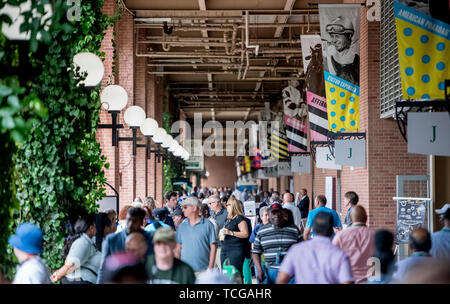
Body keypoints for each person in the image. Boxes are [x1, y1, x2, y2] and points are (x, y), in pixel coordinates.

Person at [277, 212, 354, 284]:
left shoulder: (296, 250)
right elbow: (347, 282)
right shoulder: (340, 254)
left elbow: (281, 280)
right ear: (331, 231)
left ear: (313, 229)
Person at [97, 207, 154, 284]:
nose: (130, 224)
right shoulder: (112, 240)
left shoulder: (149, 238)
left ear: (142, 222)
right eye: (129, 219)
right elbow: (103, 268)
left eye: (135, 221)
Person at [252, 203, 300, 284]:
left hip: (289, 272)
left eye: (279, 212)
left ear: (283, 213)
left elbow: (302, 250)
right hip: (270, 272)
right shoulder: (262, 231)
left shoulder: (293, 229)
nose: (276, 215)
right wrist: (259, 270)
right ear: (269, 215)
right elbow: (256, 252)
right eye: (273, 213)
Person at [51, 214, 100, 284]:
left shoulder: (87, 241)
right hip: (79, 281)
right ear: (91, 228)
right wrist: (57, 275)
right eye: (96, 226)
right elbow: (71, 264)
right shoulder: (83, 242)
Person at [332, 205, 375, 283]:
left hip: (348, 280)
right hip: (371, 280)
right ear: (366, 218)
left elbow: (333, 259)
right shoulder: (375, 235)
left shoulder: (341, 236)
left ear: (351, 218)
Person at [175, 196, 217, 274]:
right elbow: (178, 249)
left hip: (203, 271)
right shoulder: (181, 227)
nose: (183, 209)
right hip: (185, 271)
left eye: (185, 207)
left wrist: (210, 268)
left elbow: (213, 247)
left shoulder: (208, 225)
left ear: (194, 208)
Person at [323, 16, 360, 86]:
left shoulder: (358, 56)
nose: (334, 41)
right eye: (332, 36)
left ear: (348, 36)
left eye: (337, 36)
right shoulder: (329, 56)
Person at [220, 195, 250, 278]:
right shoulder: (228, 219)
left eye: (228, 204)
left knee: (235, 274)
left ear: (233, 206)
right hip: (225, 249)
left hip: (235, 249)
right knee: (225, 273)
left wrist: (231, 232)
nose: (226, 206)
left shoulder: (239, 218)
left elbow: (245, 233)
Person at [249, 206, 270, 283]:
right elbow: (253, 244)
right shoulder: (257, 228)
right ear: (261, 217)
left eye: (269, 215)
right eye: (265, 215)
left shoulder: (274, 227)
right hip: (260, 260)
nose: (268, 217)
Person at [208, 194, 228, 269]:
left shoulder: (226, 213)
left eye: (210, 203)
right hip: (211, 247)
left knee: (223, 271)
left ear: (216, 203)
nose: (209, 205)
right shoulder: (211, 213)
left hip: (221, 247)